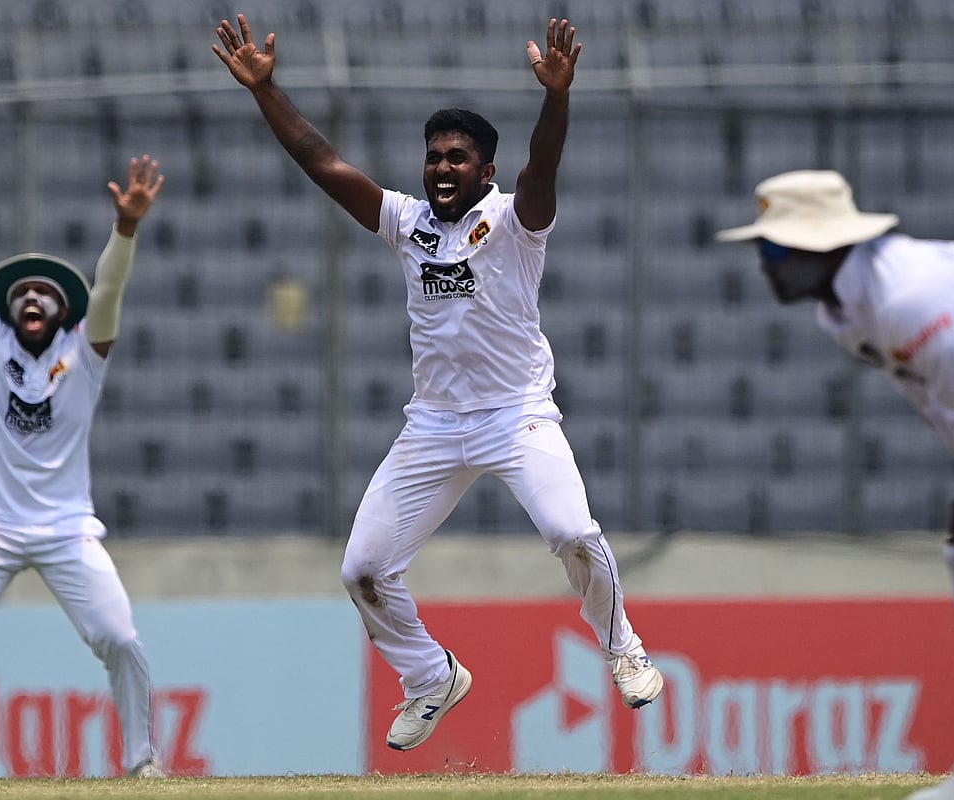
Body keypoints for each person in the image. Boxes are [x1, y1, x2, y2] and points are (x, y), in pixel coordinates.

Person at [213, 14, 664, 752]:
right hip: (435, 423)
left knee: (572, 531)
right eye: (434, 157)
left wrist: (557, 99)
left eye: (458, 158)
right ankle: (429, 676)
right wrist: (267, 90)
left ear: (485, 171)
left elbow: (541, 172)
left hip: (517, 415)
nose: (442, 168)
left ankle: (623, 649)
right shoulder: (406, 222)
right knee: (362, 568)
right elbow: (323, 162)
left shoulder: (515, 222)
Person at [0, 133, 166, 779]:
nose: (32, 299)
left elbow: (107, 292)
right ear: (8, 310)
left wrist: (124, 230)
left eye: (45, 294)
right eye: (21, 294)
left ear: (62, 312)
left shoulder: (87, 354)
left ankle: (141, 764)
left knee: (122, 641)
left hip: (67, 529)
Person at [716, 169, 954, 800]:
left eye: (776, 248)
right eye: (763, 248)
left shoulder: (905, 300)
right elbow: (944, 408)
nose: (765, 264)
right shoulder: (840, 314)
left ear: (823, 245)